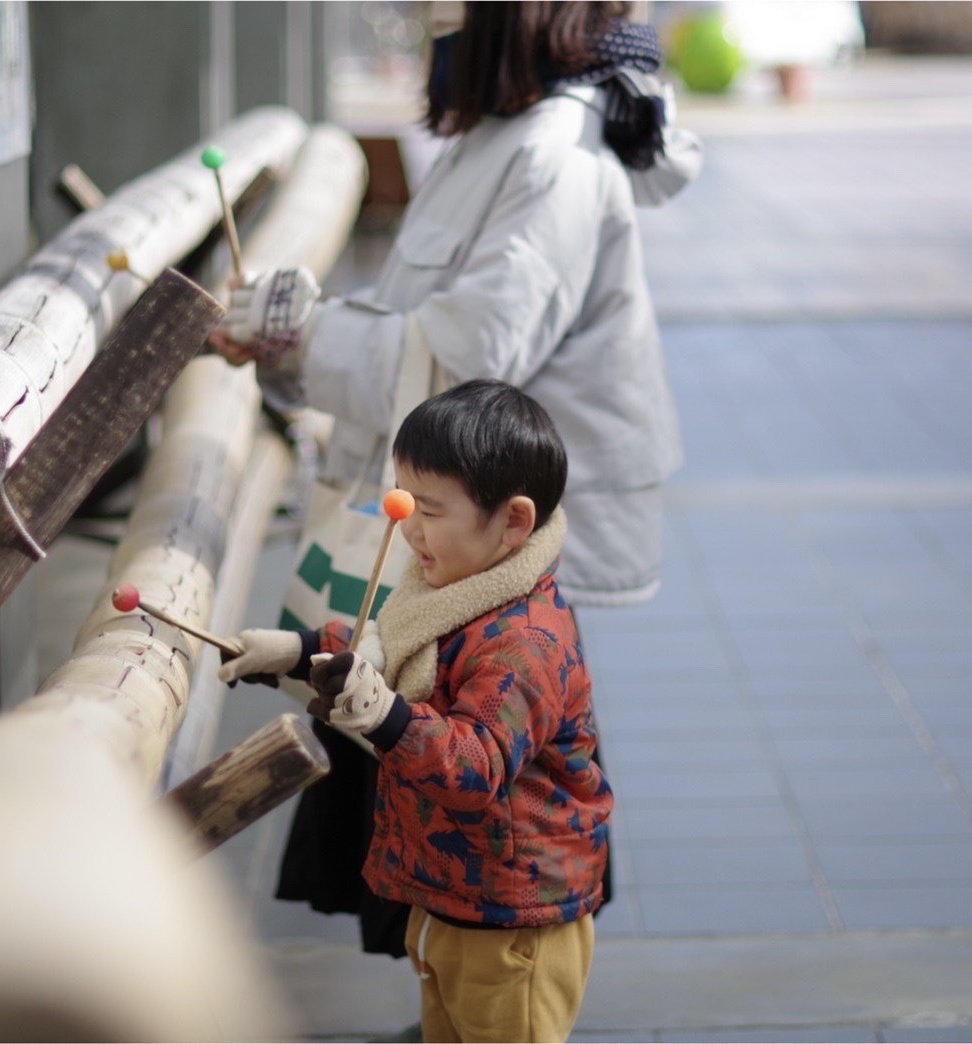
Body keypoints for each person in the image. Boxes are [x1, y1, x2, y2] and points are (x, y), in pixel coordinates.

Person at [212, 0, 698, 958]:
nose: (428, 18)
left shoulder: (555, 152)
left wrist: (299, 336)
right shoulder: (507, 133)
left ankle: (501, 988)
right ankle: (452, 996)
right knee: (435, 795)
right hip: (460, 529)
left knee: (484, 785)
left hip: (491, 537)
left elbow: (471, 355)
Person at [219, 380, 611, 1043]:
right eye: (403, 500)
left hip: (513, 918)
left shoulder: (525, 642)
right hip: (453, 897)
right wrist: (297, 651)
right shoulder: (452, 584)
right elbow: (388, 648)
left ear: (513, 522)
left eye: (428, 510)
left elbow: (475, 766)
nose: (405, 526)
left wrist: (384, 715)